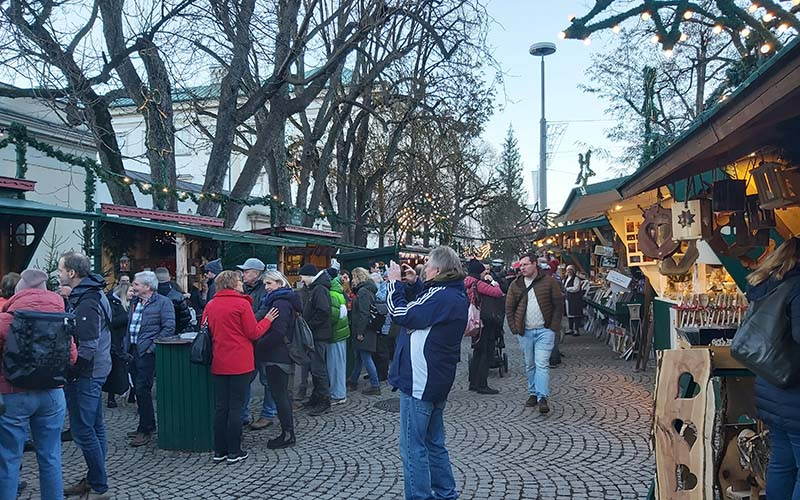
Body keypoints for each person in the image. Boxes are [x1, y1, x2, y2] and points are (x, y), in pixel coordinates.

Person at [386, 247, 467, 500]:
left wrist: (394, 284)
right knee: (433, 443)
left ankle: (421, 496)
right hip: (435, 379)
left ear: (439, 270)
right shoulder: (451, 293)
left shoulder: (441, 296)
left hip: (420, 381)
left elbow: (402, 314)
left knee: (413, 448)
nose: (424, 267)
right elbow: (426, 308)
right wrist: (416, 283)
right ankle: (445, 493)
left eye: (427, 264)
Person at [0, 269, 77, 500]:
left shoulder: (5, 319)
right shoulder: (61, 317)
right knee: (50, 456)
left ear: (19, 291)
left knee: (9, 459)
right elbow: (72, 357)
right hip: (52, 394)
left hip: (12, 394)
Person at [202, 270, 278, 464]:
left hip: (219, 361)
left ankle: (219, 451)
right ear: (232, 284)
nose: (241, 282)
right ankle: (234, 451)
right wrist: (267, 320)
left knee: (221, 408)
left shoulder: (211, 305)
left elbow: (205, 330)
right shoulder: (242, 304)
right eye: (238, 280)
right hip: (240, 362)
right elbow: (254, 332)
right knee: (236, 407)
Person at [745, 236, 800, 499]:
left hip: (770, 385)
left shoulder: (765, 285)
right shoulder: (797, 287)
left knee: (782, 461)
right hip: (794, 390)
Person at [58, 252, 113, 499]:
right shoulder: (93, 292)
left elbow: (88, 344)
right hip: (97, 369)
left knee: (82, 431)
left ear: (72, 273)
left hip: (87, 373)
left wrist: (72, 371)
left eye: (60, 270)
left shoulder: (88, 299)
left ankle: (99, 485)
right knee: (95, 426)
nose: (58, 275)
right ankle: (95, 480)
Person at [505, 252, 564, 415]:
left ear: (534, 264)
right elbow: (509, 308)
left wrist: (554, 326)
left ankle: (542, 397)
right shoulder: (516, 285)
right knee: (530, 363)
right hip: (525, 331)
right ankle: (533, 392)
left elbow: (558, 304)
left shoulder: (549, 282)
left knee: (542, 363)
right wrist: (514, 328)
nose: (522, 268)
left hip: (545, 330)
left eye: (525, 264)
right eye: (520, 265)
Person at [125, 271, 175, 447]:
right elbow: (130, 325)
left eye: (136, 284)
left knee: (142, 389)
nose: (133, 287)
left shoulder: (163, 303)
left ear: (147, 286)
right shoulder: (135, 302)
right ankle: (145, 424)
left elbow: (169, 327)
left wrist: (151, 348)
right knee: (138, 390)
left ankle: (145, 429)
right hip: (133, 351)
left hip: (146, 353)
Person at [256, 270, 301, 448]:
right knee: (282, 395)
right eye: (265, 284)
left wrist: (258, 344)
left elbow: (278, 332)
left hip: (278, 355)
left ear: (279, 283)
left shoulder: (280, 303)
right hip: (281, 354)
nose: (266, 287)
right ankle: (287, 432)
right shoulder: (284, 300)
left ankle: (288, 434)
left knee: (280, 396)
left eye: (269, 283)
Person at [236, 258, 277, 429]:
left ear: (256, 273)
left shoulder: (265, 290)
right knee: (246, 379)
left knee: (267, 380)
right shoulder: (244, 289)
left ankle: (268, 414)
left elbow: (262, 313)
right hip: (250, 341)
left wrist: (244, 319)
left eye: (246, 271)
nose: (243, 274)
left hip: (263, 341)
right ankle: (243, 414)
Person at [298, 264, 333, 416]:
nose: (301, 279)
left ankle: (324, 401)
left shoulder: (319, 289)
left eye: (302, 276)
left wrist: (308, 325)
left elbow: (323, 311)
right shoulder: (316, 288)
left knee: (318, 368)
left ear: (308, 275)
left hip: (318, 335)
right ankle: (316, 397)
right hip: (316, 334)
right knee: (315, 368)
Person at [465, 259, 503, 395]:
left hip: (475, 321)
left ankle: (473, 382)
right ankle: (482, 384)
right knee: (485, 353)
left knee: (477, 352)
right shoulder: (478, 284)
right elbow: (497, 293)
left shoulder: (467, 282)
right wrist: (493, 282)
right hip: (484, 322)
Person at [347, 268, 381, 395]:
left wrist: (360, 332)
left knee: (365, 357)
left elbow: (363, 313)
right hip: (367, 330)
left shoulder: (363, 292)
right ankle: (353, 381)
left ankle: (375, 385)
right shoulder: (368, 289)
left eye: (353, 277)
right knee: (360, 357)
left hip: (364, 331)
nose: (351, 280)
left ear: (357, 277)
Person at [104, 282, 131, 409]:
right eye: (130, 292)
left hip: (125, 340)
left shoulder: (129, 304)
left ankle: (130, 393)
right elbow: (111, 322)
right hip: (116, 341)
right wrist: (126, 318)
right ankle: (111, 396)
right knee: (115, 369)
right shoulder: (113, 303)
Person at [327, 268, 350, 405]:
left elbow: (333, 317)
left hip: (336, 334)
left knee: (335, 366)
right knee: (339, 365)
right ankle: (339, 392)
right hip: (341, 332)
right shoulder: (339, 292)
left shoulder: (332, 294)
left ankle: (338, 394)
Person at [154, 267, 193, 334]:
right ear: (169, 278)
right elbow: (185, 318)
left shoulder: (148, 296)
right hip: (175, 332)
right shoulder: (178, 296)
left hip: (153, 334)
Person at [564, 265, 584, 337]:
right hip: (568, 298)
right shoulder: (566, 278)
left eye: (570, 270)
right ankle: (570, 328)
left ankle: (576, 330)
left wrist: (567, 289)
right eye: (568, 270)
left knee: (575, 314)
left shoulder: (576, 279)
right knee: (569, 314)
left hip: (574, 299)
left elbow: (576, 288)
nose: (569, 271)